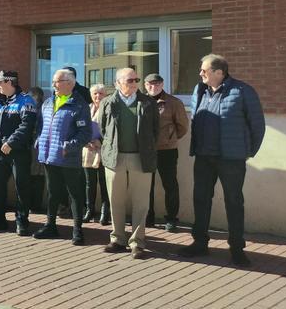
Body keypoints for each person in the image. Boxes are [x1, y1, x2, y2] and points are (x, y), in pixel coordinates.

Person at [179, 54, 265, 267]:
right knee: (200, 199)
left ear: (219, 72)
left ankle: (237, 249)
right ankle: (200, 243)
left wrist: (246, 151)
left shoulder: (243, 91)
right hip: (204, 157)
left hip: (231, 159)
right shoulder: (199, 90)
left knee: (234, 202)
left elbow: (258, 126)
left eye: (204, 71)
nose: (200, 74)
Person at [98, 68, 159, 260]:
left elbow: (155, 131)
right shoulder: (107, 103)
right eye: (129, 80)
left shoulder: (148, 103)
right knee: (115, 200)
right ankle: (118, 239)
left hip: (141, 158)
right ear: (117, 83)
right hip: (115, 157)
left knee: (141, 202)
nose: (134, 83)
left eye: (136, 80)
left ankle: (137, 242)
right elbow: (103, 129)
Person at [33, 69, 93, 245]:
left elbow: (85, 132)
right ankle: (50, 226)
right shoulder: (48, 102)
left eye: (57, 81)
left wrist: (70, 146)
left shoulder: (79, 104)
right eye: (53, 81)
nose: (53, 85)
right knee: (52, 192)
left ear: (70, 83)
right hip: (49, 156)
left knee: (74, 194)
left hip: (69, 158)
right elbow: (40, 125)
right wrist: (39, 140)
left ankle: (77, 230)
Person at [0, 71, 37, 235]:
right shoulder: (0, 101)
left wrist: (11, 142)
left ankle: (22, 221)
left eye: (0, 82)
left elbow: (27, 125)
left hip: (18, 152)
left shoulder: (26, 100)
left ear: (9, 82)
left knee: (22, 187)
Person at [144, 74, 189, 232]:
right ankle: (147, 217)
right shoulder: (141, 101)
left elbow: (182, 126)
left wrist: (170, 138)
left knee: (170, 185)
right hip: (146, 151)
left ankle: (171, 219)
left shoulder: (173, 102)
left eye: (156, 84)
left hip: (167, 150)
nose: (153, 87)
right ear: (145, 85)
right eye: (150, 84)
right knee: (145, 186)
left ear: (162, 85)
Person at [84, 84, 110, 225]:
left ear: (105, 95)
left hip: (104, 150)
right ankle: (89, 210)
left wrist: (99, 140)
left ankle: (105, 213)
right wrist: (86, 140)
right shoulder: (87, 108)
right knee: (90, 183)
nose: (98, 96)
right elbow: (80, 126)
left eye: (100, 93)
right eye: (95, 93)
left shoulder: (109, 108)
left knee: (104, 183)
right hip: (89, 149)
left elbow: (113, 130)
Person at [27, 87, 47, 215]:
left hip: (37, 145)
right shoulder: (32, 107)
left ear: (36, 96)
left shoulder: (41, 109)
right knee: (34, 175)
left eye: (30, 95)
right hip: (32, 145)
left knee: (37, 175)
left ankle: (35, 204)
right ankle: (34, 204)